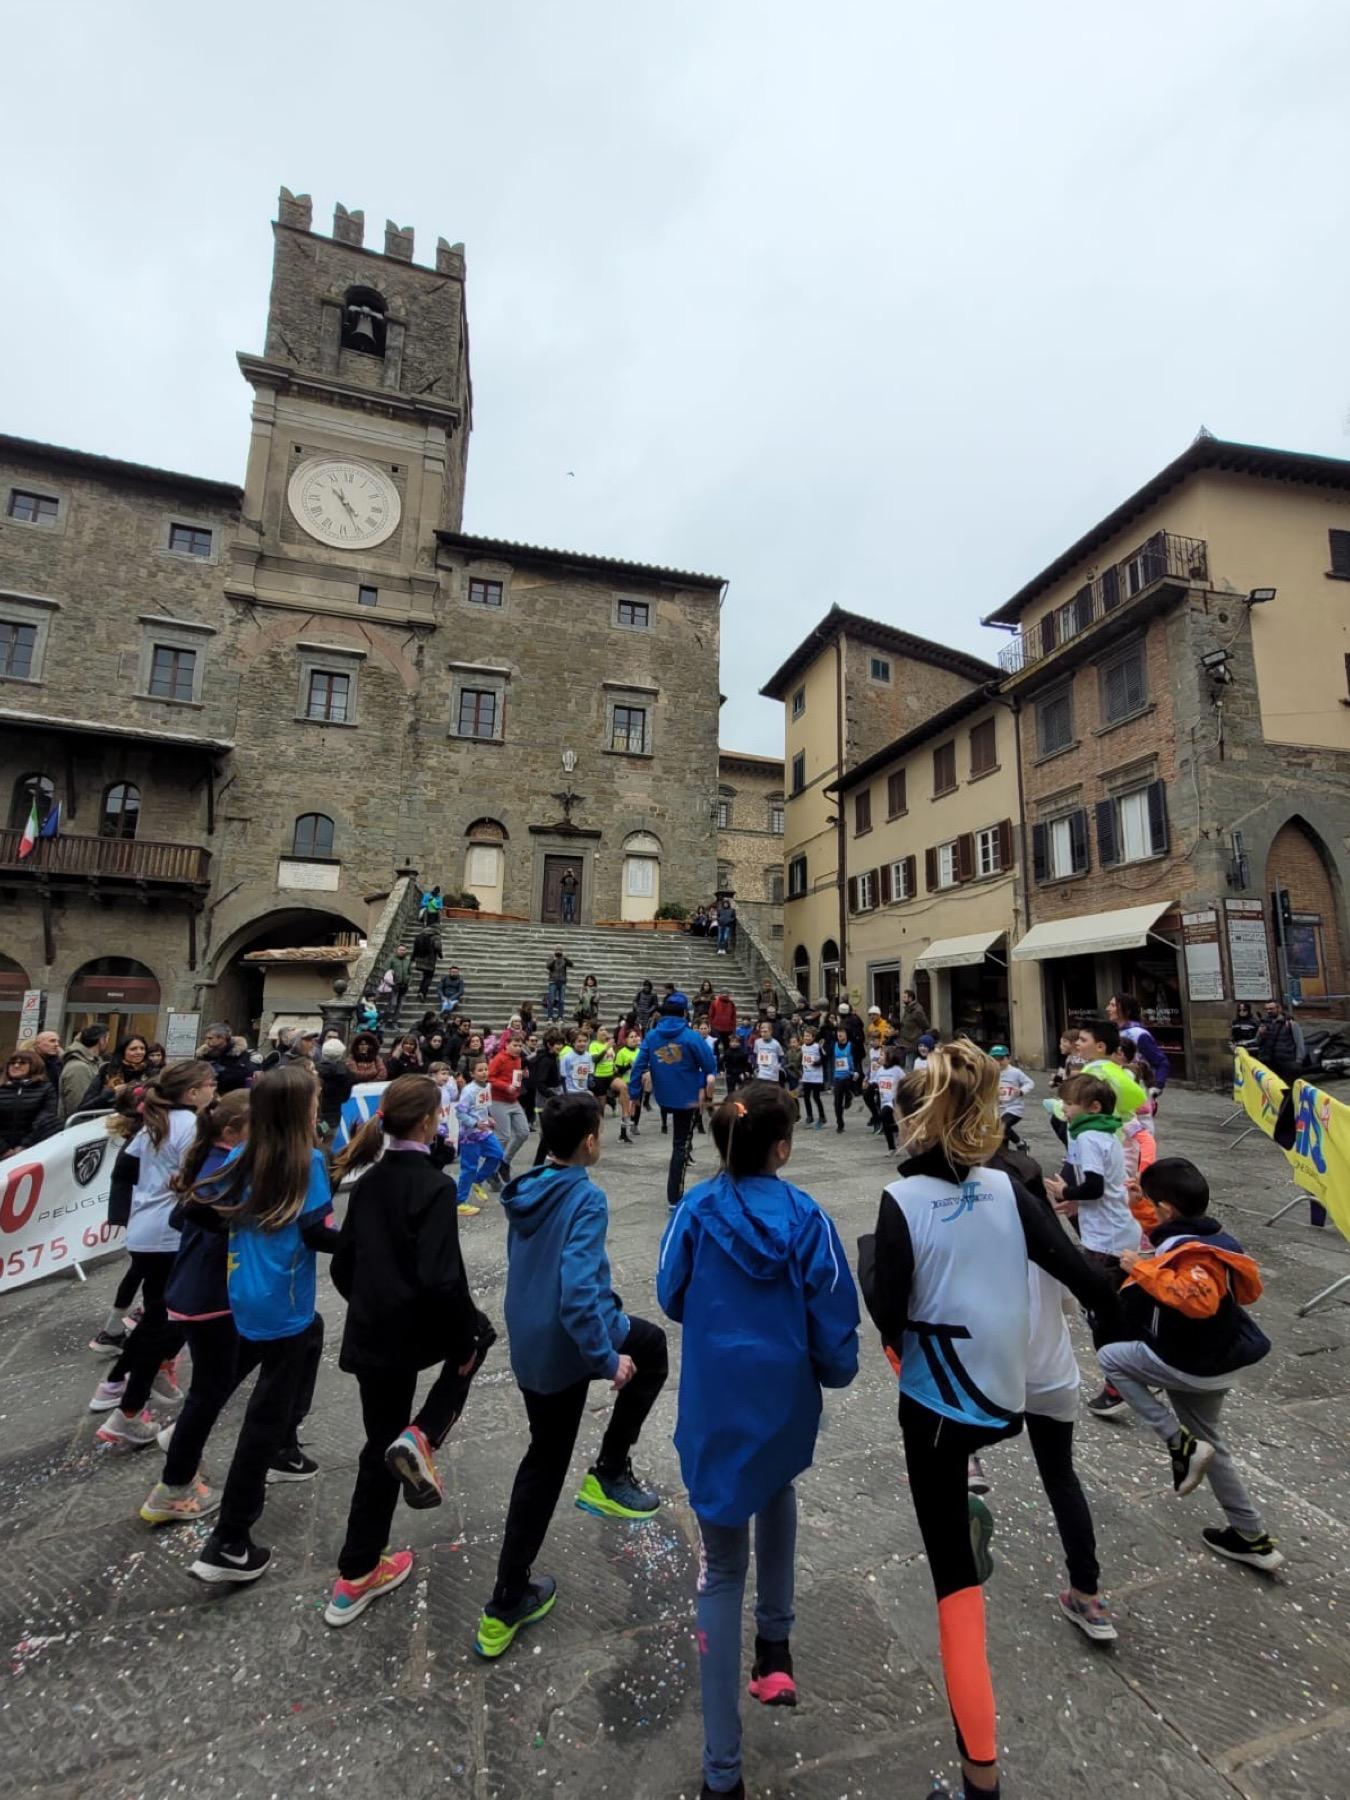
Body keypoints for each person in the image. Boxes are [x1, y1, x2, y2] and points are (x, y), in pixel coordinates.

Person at [859, 1040, 1115, 1800]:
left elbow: (887, 1310)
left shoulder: (901, 1202)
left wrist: (873, 1253)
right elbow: (1087, 1281)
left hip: (938, 1411)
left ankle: (981, 1775)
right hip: (1009, 1394)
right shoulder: (1011, 1190)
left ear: (913, 1123)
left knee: (956, 1593)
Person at [658, 1085, 859, 1799]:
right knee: (778, 1489)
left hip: (716, 1401)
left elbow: (669, 1293)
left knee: (720, 1567)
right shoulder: (806, 1216)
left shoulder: (694, 1211)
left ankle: (722, 1772)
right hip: (782, 1398)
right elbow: (835, 1312)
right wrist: (836, 1368)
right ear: (783, 1147)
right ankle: (774, 1647)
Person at [473, 1092, 667, 1659]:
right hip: (566, 1342)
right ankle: (507, 1597)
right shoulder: (585, 1197)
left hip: (532, 1337)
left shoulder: (531, 1185)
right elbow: (578, 1296)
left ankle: (607, 1471)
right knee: (547, 1460)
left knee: (649, 1347)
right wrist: (608, 1359)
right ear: (589, 1140)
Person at [326, 1075, 496, 1624]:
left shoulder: (370, 1179)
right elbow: (443, 1278)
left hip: (372, 1328)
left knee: (377, 1441)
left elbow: (342, 1265)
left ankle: (357, 1570)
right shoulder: (434, 1187)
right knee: (480, 1337)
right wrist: (463, 1336)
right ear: (427, 1122)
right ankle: (423, 1433)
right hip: (412, 1327)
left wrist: (374, 1298)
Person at [140, 1089, 321, 1523]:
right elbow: (189, 1215)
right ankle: (174, 1485)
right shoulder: (231, 1162)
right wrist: (249, 1222)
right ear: (235, 1130)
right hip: (214, 1293)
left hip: (212, 1291)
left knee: (273, 1351)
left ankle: (208, 1440)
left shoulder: (225, 1159)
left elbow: (184, 1214)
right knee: (211, 1388)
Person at [189, 1066, 338, 1584]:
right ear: (301, 1111)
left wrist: (246, 1227)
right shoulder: (307, 1161)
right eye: (316, 1100)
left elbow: (200, 1207)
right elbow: (319, 1234)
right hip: (285, 1299)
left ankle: (271, 1445)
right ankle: (230, 1538)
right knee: (263, 1416)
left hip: (244, 1289)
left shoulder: (240, 1154)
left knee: (286, 1359)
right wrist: (371, 1241)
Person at [1098, 1157, 1282, 1572]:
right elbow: (1168, 1238)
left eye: (1149, 1201)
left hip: (1193, 1361)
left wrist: (1139, 1268)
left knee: (1111, 1358)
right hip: (1216, 1359)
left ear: (1167, 1208)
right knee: (1213, 1448)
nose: (1146, 1207)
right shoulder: (1205, 1232)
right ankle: (1251, 1535)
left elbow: (1197, 1300)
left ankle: (1175, 1442)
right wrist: (1139, 1206)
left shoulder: (1199, 1257)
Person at [89, 1060, 220, 1445]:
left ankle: (122, 1386)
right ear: (193, 1092)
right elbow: (198, 1182)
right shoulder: (191, 1126)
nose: (215, 1088)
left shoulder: (153, 1126)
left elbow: (124, 1172)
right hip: (170, 1233)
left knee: (158, 1318)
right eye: (210, 1084)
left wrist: (120, 1214)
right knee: (163, 1320)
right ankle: (127, 1404)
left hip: (146, 1231)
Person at [1044, 1073, 1136, 1422]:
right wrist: (1076, 1205)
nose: (1064, 1108)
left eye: (1069, 1103)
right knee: (1108, 1308)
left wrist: (1067, 1194)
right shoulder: (1102, 1132)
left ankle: (1120, 1384)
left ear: (1093, 1107)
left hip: (1107, 1239)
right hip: (1111, 1231)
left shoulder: (1090, 1138)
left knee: (1103, 1314)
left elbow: (1095, 1186)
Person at [627, 995, 718, 1207]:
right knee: (681, 1146)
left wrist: (633, 1095)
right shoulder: (691, 1036)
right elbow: (709, 1063)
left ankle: (674, 1194)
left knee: (678, 1144)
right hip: (686, 1098)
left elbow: (638, 1066)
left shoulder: (651, 1036)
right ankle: (674, 1196)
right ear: (685, 1013)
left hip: (664, 1096)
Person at [456, 1059, 504, 1213]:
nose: (484, 1073)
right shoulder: (468, 1091)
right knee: (469, 1167)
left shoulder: (487, 1086)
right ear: (472, 1074)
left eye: (485, 1069)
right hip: (470, 1134)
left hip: (485, 1131)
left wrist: (488, 1117)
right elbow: (460, 1113)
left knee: (497, 1154)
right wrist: (475, 1124)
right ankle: (459, 1203)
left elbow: (482, 1107)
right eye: (480, 1070)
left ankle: (477, 1181)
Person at [1107, 994, 1171, 1098]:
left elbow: (1161, 1062)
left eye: (1113, 1005)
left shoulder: (1139, 1034)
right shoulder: (1113, 1032)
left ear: (1126, 1010)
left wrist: (1158, 1085)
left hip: (1136, 1091)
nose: (1107, 1008)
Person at [0, 1048, 60, 1154]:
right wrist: (4, 1149)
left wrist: (24, 1145)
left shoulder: (46, 1089)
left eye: (22, 1063)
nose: (16, 1066)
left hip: (31, 1150)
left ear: (34, 1066)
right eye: (12, 1063)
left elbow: (45, 1119)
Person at [488, 1029, 532, 1173]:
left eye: (520, 1046)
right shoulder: (499, 1058)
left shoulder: (518, 1059)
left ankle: (505, 1162)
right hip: (498, 1100)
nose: (518, 1048)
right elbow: (489, 1077)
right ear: (506, 1044)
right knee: (503, 1137)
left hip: (513, 1100)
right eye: (515, 1045)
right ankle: (491, 1169)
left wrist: (524, 1076)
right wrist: (505, 1086)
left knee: (523, 1132)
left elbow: (514, 1077)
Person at [59, 1024, 109, 1121]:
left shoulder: (94, 1063)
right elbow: (79, 1106)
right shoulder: (78, 1067)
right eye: (107, 1038)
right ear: (102, 1040)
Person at [990, 1046, 1034, 1147]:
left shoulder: (1015, 1072)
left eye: (1001, 1059)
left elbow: (1030, 1083)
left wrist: (1021, 1091)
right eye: (994, 1059)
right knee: (1000, 1131)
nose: (998, 1062)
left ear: (1008, 1059)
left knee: (1002, 1127)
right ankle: (1018, 1146)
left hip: (1014, 1108)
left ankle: (1019, 1144)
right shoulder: (990, 1072)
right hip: (997, 1109)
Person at [1253, 1000, 1305, 1083]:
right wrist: (1261, 1034)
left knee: (1287, 1087)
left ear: (1279, 1009)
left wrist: (1299, 1060)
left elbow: (1299, 1042)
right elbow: (1257, 1042)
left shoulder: (1290, 1023)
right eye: (1266, 1009)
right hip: (1270, 1062)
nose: (1268, 1011)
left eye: (1271, 1009)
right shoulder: (1264, 1023)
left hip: (1287, 1062)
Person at [200, 1021, 252, 1095]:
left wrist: (221, 1072)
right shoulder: (205, 1054)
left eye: (210, 1038)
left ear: (222, 1038)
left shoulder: (239, 1054)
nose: (207, 1041)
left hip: (232, 1096)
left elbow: (243, 1076)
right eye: (206, 1038)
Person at [895, 989, 930, 1070]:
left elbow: (925, 1025)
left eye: (904, 997)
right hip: (905, 1042)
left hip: (913, 1042)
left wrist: (916, 1035)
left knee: (909, 1066)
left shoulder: (917, 1010)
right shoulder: (908, 1009)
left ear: (910, 998)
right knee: (906, 1065)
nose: (903, 999)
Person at [830, 1026, 856, 1133]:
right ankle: (840, 1123)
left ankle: (849, 1094)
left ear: (846, 1034)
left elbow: (857, 1059)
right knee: (837, 1101)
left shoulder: (851, 1045)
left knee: (845, 1084)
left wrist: (856, 1071)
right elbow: (830, 1059)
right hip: (838, 1076)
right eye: (838, 1032)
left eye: (842, 1032)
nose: (839, 1034)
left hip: (849, 1075)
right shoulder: (834, 1045)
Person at [799, 1027, 826, 1129]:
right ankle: (810, 1116)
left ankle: (822, 1116)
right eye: (805, 1036)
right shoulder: (803, 1047)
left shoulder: (817, 1047)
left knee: (816, 1097)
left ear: (813, 1037)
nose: (806, 1038)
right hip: (806, 1076)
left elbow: (824, 1058)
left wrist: (817, 1063)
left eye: (808, 1036)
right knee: (806, 1097)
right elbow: (803, 1059)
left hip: (816, 1077)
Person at [412, 925, 441, 1001]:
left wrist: (413, 958)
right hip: (430, 960)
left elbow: (415, 948)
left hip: (420, 960)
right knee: (428, 977)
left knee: (425, 976)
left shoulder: (420, 935)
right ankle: (423, 993)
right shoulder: (436, 936)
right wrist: (440, 954)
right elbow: (437, 947)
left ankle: (420, 991)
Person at [752, 1020, 785, 1087]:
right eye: (761, 1032)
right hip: (761, 1073)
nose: (763, 1034)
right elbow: (755, 1055)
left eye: (765, 1032)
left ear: (771, 1031)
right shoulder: (757, 1042)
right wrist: (756, 1066)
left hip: (773, 1075)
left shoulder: (776, 1044)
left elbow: (782, 1057)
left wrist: (779, 1066)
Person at [708, 989, 737, 1061]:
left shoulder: (731, 1004)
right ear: (720, 993)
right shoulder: (714, 1003)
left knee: (727, 1046)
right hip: (716, 1028)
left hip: (728, 1029)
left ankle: (727, 1062)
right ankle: (717, 1061)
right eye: (723, 993)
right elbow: (711, 1015)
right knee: (715, 1045)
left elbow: (734, 1017)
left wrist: (734, 1029)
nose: (724, 995)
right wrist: (711, 1026)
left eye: (726, 993)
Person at [545, 948, 573, 1022]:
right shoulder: (551, 958)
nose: (558, 952)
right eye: (557, 950)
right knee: (551, 1000)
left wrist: (566, 958)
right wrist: (554, 959)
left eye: (560, 951)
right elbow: (548, 966)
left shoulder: (564, 959)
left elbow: (571, 965)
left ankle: (560, 1017)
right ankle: (550, 1017)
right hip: (552, 981)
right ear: (554, 951)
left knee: (561, 1000)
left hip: (562, 982)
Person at [387, 944, 412, 1013]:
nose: (402, 951)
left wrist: (408, 981)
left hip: (404, 986)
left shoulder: (407, 961)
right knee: (392, 1004)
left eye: (404, 950)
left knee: (400, 1005)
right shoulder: (391, 960)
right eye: (400, 950)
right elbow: (386, 971)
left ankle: (395, 1021)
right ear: (397, 950)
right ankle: (385, 1020)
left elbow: (410, 972)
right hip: (394, 986)